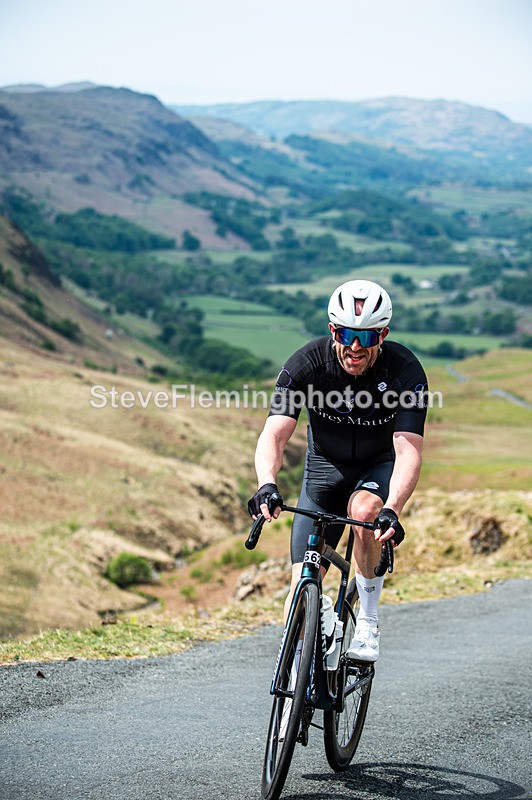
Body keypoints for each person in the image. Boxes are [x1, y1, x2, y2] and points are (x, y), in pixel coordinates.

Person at [248, 279, 428, 661]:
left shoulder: (404, 371)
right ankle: (297, 682)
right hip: (323, 472)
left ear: (384, 334)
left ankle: (367, 619)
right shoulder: (307, 364)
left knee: (364, 513)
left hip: (376, 466)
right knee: (299, 593)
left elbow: (408, 449)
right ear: (333, 330)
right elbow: (274, 433)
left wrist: (392, 507)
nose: (356, 347)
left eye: (367, 336)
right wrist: (267, 483)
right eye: (347, 334)